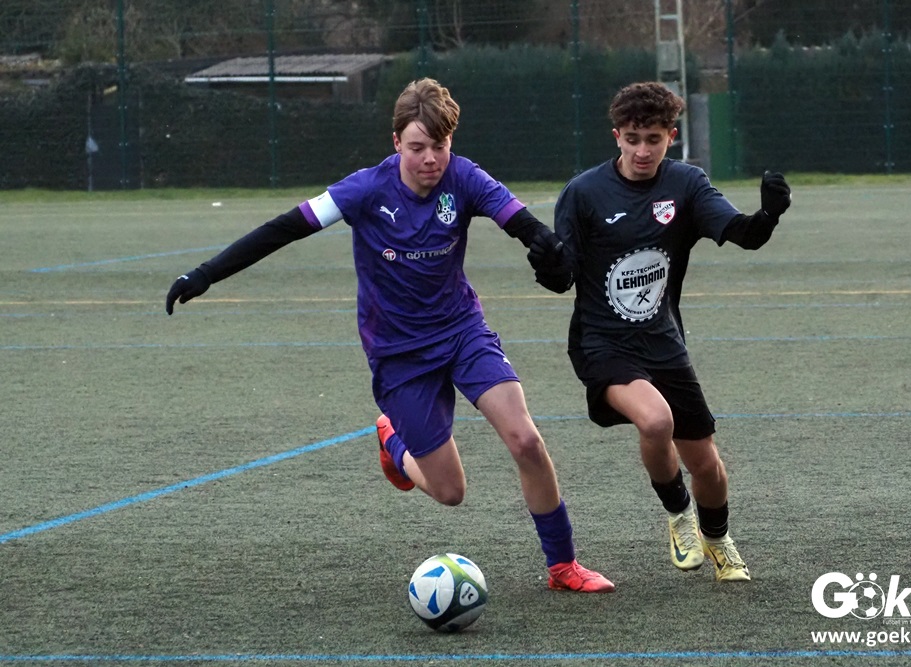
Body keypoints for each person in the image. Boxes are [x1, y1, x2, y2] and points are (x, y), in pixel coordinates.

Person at [165, 78, 613, 594]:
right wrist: (205, 274)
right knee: (449, 492)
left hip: (461, 331)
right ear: (396, 141)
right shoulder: (363, 190)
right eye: (417, 147)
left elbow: (522, 224)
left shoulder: (465, 177)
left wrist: (549, 250)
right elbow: (283, 229)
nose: (430, 159)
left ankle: (563, 567)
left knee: (526, 440)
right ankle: (393, 440)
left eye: (439, 146)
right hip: (399, 353)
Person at [529, 81, 791, 582]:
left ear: (671, 136)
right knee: (655, 422)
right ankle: (678, 514)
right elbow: (563, 276)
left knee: (707, 466)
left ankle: (718, 540)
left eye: (653, 139)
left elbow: (743, 235)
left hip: (663, 341)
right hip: (602, 343)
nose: (642, 150)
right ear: (617, 136)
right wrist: (547, 265)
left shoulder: (686, 185)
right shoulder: (584, 193)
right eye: (632, 139)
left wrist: (769, 215)